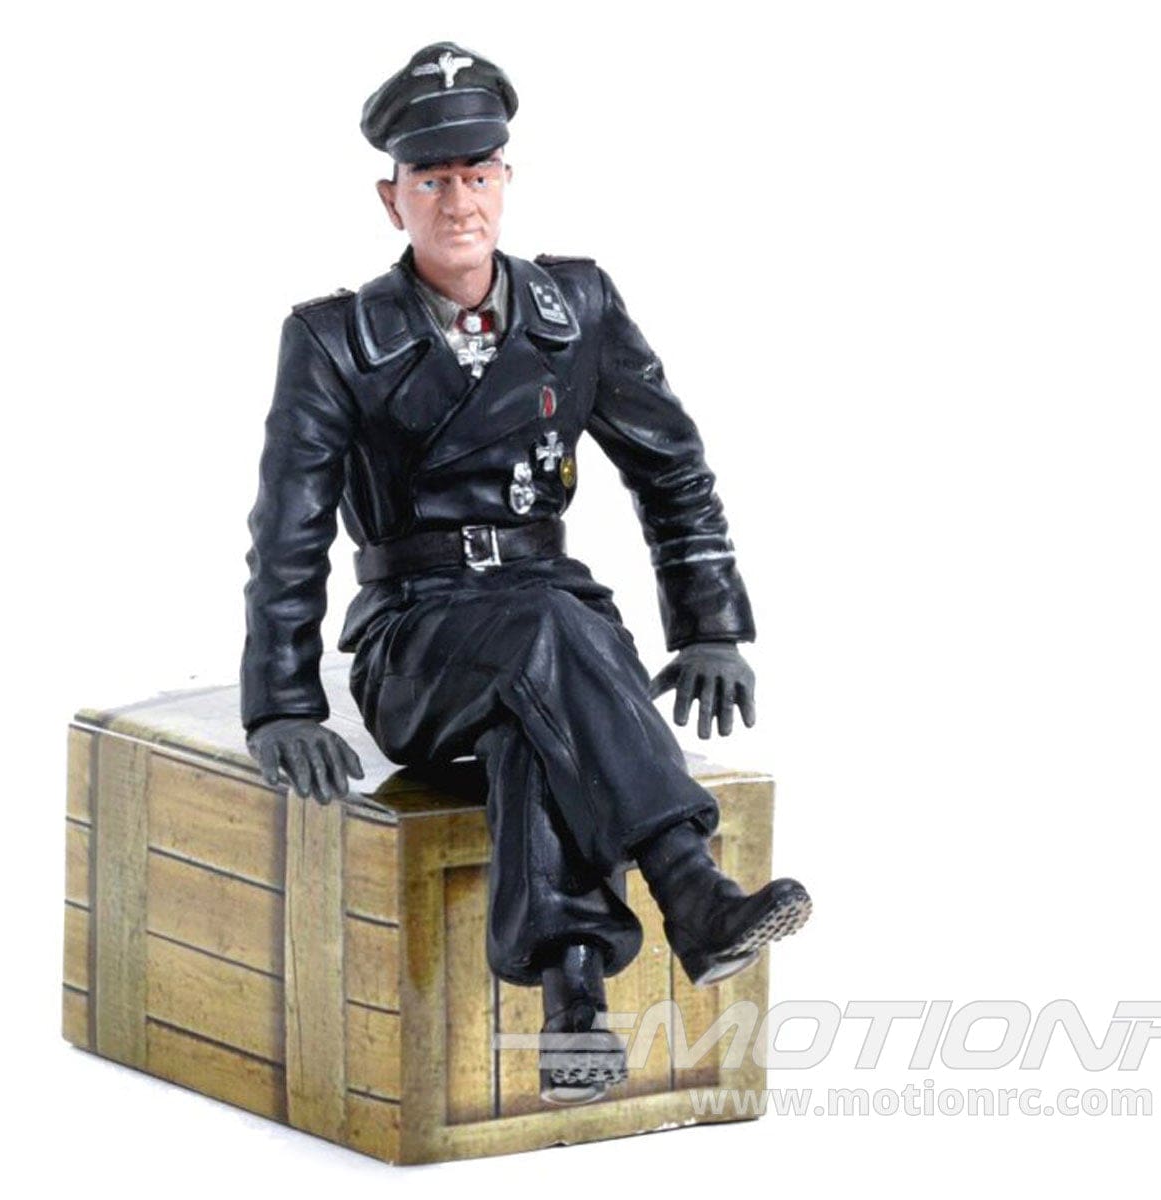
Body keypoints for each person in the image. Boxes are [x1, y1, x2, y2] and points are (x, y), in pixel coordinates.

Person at [239, 42, 810, 1104]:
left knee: (531, 726)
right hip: (416, 645)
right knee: (554, 636)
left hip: (551, 626)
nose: (459, 202)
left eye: (478, 174)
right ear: (392, 198)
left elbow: (671, 466)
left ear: (507, 181)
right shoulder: (333, 340)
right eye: (433, 180)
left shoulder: (575, 308)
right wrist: (280, 706)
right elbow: (289, 533)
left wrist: (710, 627)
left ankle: (574, 1002)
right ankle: (690, 886)